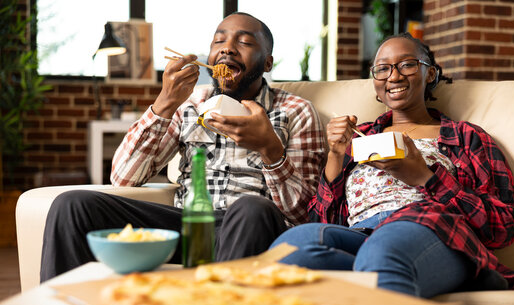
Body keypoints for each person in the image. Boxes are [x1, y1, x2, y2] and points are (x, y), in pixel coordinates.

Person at [270, 32, 514, 305]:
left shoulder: (465, 137)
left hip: (433, 228)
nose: (394, 76)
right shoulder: (361, 136)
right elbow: (325, 220)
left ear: (430, 73)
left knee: (386, 250)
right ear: (375, 83)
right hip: (362, 234)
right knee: (291, 248)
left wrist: (425, 176)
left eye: (407, 64)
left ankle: (390, 268)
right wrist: (336, 156)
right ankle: (389, 274)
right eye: (382, 69)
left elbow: (503, 226)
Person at [40, 12, 325, 281]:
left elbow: (303, 214)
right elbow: (123, 177)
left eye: (245, 42)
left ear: (267, 63)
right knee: (73, 204)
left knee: (251, 208)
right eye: (219, 41)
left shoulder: (295, 110)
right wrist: (164, 103)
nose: (227, 49)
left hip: (253, 227)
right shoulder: (190, 103)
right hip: (188, 226)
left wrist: (270, 149)